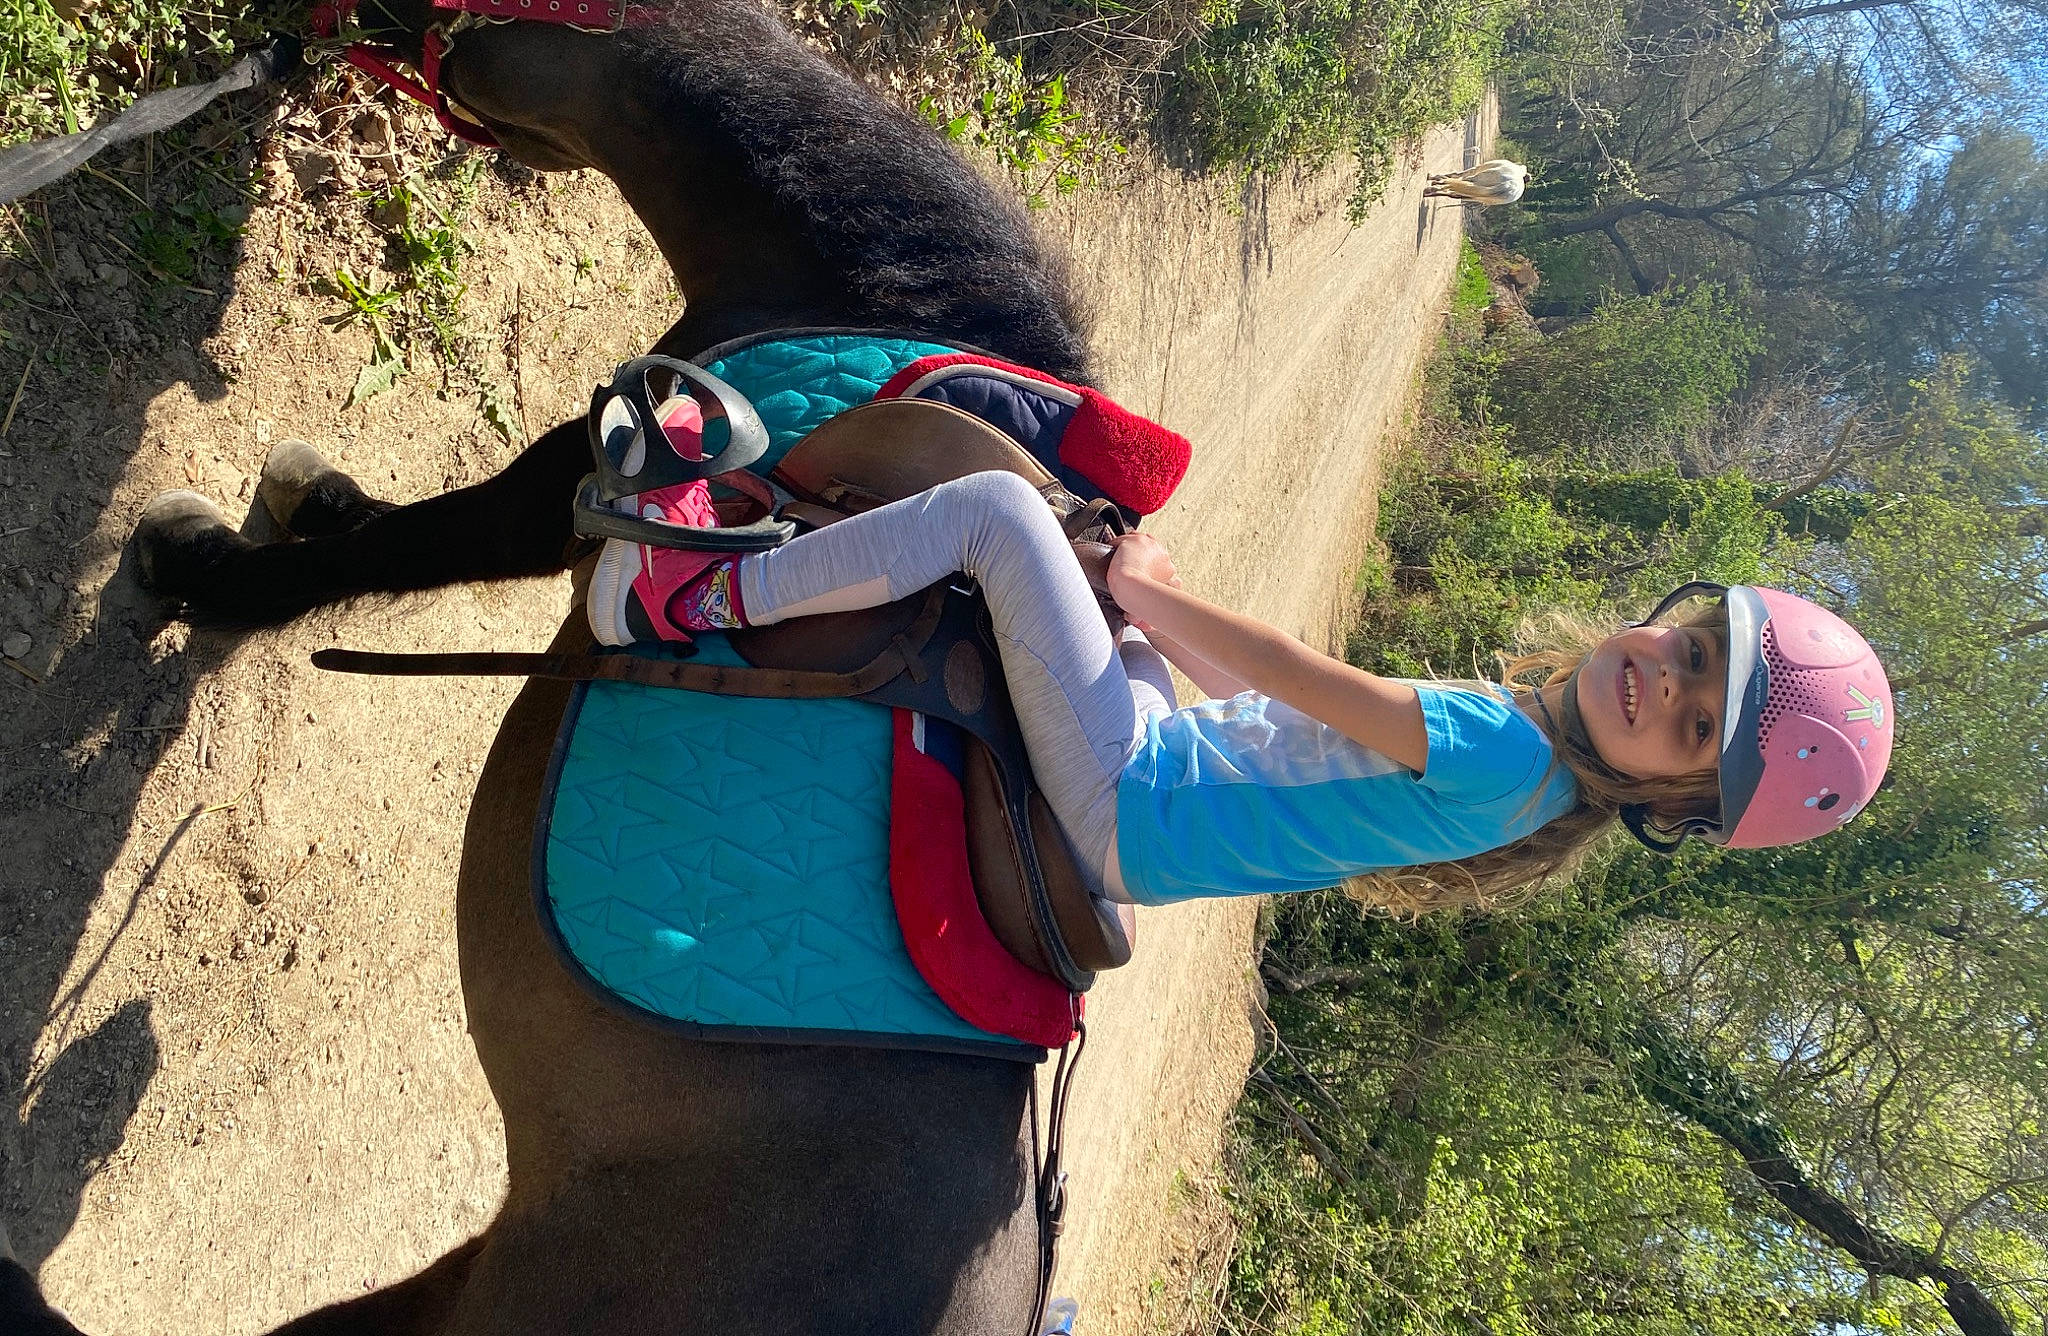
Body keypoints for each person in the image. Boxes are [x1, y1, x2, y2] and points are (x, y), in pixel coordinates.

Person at [586, 448, 1894, 914]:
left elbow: (1285, 664)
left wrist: (1145, 583)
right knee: (1113, 611)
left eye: (1693, 725)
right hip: (1157, 791)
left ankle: (687, 592)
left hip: (1132, 795)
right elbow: (1255, 702)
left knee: (994, 510)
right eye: (1694, 656)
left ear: (1671, 803)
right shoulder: (1533, 778)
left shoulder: (1507, 748)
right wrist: (1140, 612)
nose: (1661, 681)